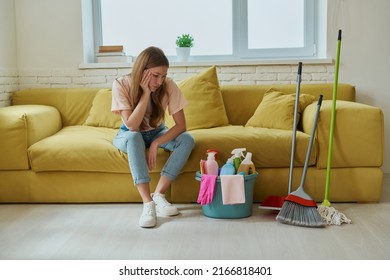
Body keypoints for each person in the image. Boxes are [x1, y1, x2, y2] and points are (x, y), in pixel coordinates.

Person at [111, 46, 195, 228]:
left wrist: (157, 143)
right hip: (127, 134)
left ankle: (158, 195)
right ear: (142, 70)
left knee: (187, 139)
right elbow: (131, 126)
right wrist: (146, 93)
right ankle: (148, 204)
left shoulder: (168, 85)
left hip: (157, 131)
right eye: (155, 75)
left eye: (163, 76)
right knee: (134, 138)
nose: (159, 81)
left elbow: (181, 125)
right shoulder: (121, 84)